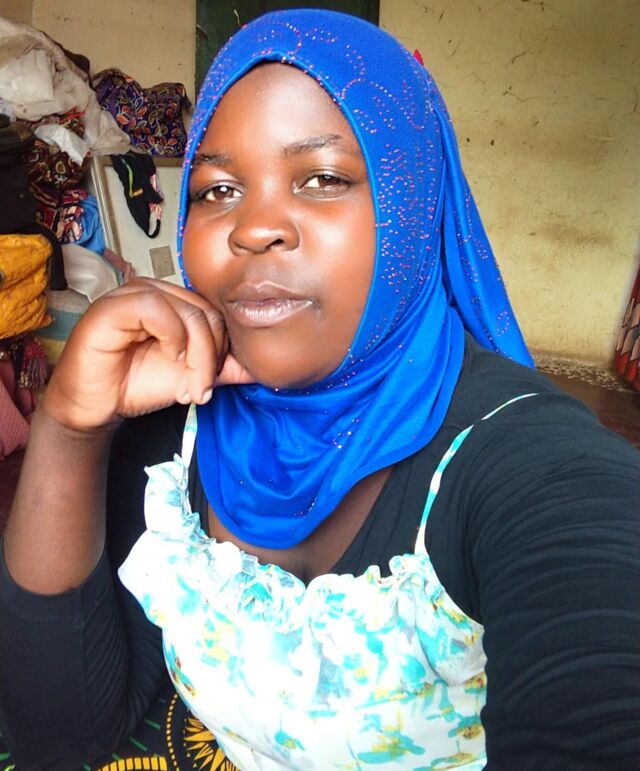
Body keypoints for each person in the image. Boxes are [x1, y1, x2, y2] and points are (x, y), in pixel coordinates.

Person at [1, 9, 639, 771]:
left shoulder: (527, 464)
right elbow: (61, 732)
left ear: (412, 206)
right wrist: (71, 426)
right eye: (218, 189)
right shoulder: (178, 427)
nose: (253, 228)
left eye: (324, 178)